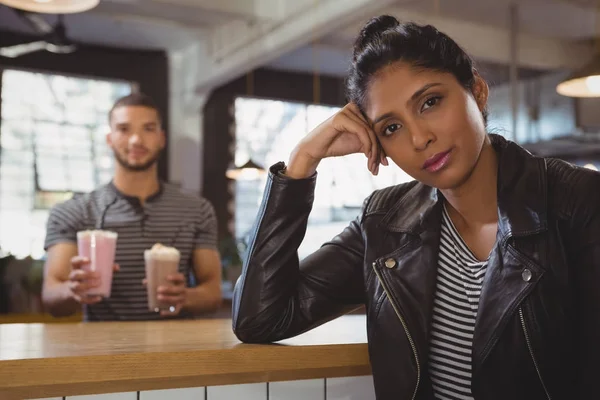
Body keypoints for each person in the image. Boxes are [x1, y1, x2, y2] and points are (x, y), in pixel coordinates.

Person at [232, 15, 600, 400]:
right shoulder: (386, 223)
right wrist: (302, 161)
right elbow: (260, 319)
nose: (420, 138)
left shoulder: (578, 202)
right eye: (391, 128)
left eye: (430, 102)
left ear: (477, 91)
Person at [42, 92, 222, 321]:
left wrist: (184, 296)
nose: (136, 140)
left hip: (176, 351)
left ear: (161, 138)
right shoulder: (73, 212)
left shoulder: (197, 210)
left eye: (148, 129)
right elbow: (51, 297)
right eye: (124, 129)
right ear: (109, 139)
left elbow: (213, 294)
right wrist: (73, 289)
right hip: (104, 352)